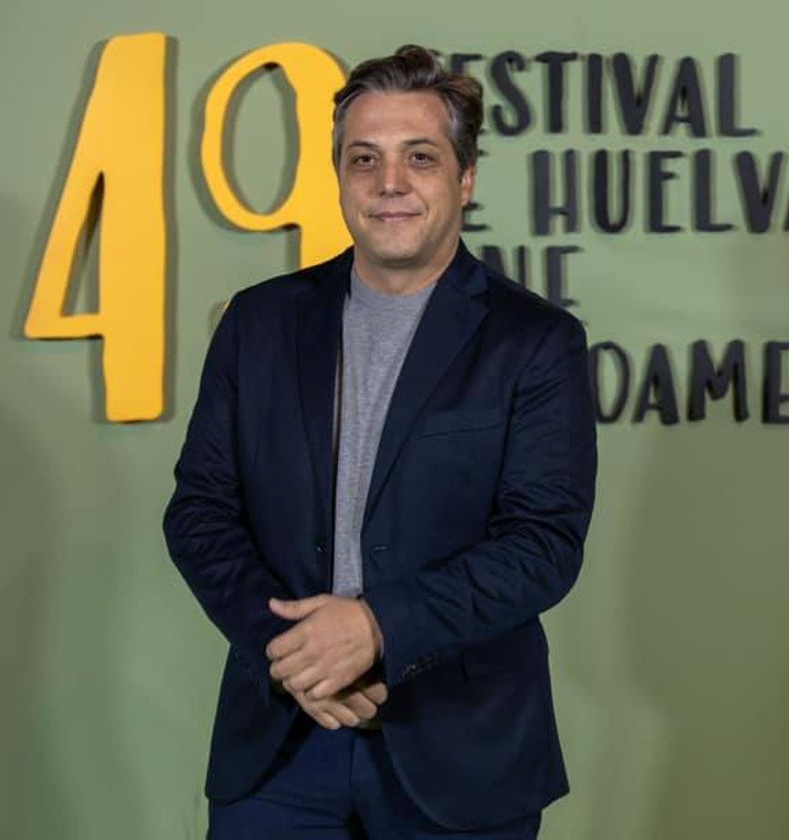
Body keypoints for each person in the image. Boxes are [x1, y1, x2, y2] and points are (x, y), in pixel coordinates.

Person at [163, 44, 597, 838]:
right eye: (364, 158)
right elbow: (198, 512)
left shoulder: (536, 342)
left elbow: (543, 545)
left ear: (464, 180)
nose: (388, 183)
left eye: (419, 158)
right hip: (279, 746)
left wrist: (376, 626)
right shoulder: (258, 325)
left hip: (461, 754)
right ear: (338, 176)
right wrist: (287, 651)